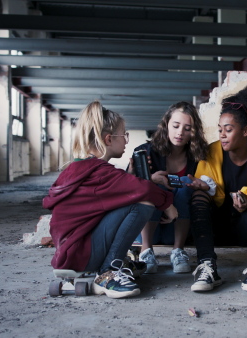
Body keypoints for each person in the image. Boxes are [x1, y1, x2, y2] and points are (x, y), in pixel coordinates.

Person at [42, 101, 177, 299]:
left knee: (133, 198)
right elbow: (144, 190)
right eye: (124, 135)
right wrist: (169, 205)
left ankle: (115, 263)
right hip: (80, 255)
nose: (126, 141)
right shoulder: (100, 173)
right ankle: (108, 271)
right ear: (108, 139)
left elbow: (113, 194)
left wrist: (130, 176)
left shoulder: (81, 168)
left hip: (71, 251)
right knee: (143, 204)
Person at [189, 82, 247, 298]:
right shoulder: (211, 152)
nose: (222, 135)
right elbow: (206, 188)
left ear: (246, 131)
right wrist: (203, 187)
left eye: (228, 129)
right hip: (214, 228)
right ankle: (207, 267)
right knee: (198, 196)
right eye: (220, 130)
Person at [131, 102, 210, 274]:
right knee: (154, 184)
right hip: (146, 229)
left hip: (176, 227)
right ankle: (146, 252)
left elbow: (210, 186)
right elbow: (126, 190)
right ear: (166, 124)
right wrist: (150, 180)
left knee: (184, 182)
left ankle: (178, 251)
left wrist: (201, 186)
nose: (180, 132)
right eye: (175, 126)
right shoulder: (145, 152)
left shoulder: (198, 156)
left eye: (187, 128)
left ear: (194, 131)